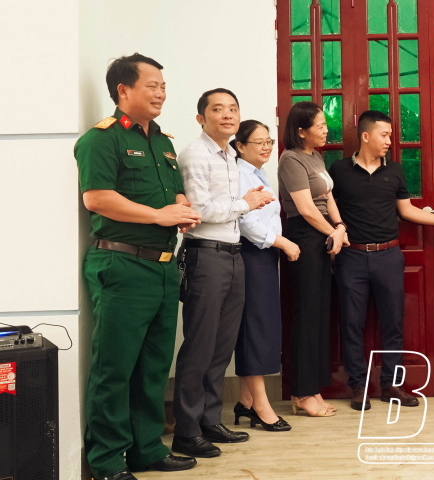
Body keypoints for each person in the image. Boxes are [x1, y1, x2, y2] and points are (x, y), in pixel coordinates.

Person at [76, 53, 200, 480]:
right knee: (114, 368)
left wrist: (182, 208)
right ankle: (107, 460)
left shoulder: (163, 141)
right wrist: (160, 216)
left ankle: (147, 449)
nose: (161, 93)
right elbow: (97, 198)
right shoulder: (101, 139)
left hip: (163, 267)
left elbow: (173, 193)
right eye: (152, 85)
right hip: (122, 263)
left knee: (153, 366)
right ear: (123, 90)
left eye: (163, 86)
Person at [330, 110, 434, 411]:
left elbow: (406, 210)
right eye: (385, 135)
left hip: (389, 256)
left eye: (390, 136)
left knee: (393, 322)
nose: (390, 141)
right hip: (352, 257)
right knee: (352, 323)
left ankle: (391, 384)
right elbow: (327, 207)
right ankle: (358, 385)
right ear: (366, 136)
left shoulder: (395, 171)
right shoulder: (338, 170)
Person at [172, 89, 275, 458]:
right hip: (206, 255)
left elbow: (227, 207)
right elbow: (199, 210)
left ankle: (209, 420)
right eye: (218, 109)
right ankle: (186, 431)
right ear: (201, 118)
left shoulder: (230, 154)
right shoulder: (195, 154)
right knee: (200, 345)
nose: (228, 115)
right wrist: (246, 204)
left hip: (233, 255)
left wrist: (247, 204)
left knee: (222, 345)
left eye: (233, 109)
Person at [277, 101, 346, 417]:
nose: (326, 130)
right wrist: (333, 232)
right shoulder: (290, 159)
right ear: (301, 131)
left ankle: (313, 389)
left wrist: (340, 227)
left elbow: (327, 196)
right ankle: (301, 393)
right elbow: (305, 209)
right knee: (306, 316)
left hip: (324, 235)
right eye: (320, 125)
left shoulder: (316, 157)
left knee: (319, 315)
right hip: (305, 236)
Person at [230, 120, 299, 432]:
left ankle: (246, 401)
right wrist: (283, 243)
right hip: (250, 254)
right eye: (258, 142)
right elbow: (246, 222)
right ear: (240, 146)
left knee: (263, 325)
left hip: (265, 255)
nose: (266, 146)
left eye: (269, 141)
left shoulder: (258, 173)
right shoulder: (239, 174)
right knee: (254, 328)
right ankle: (261, 405)